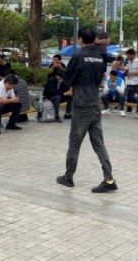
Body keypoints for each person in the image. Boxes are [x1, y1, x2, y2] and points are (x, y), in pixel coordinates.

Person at [56, 27, 117, 193]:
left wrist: (62, 86)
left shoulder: (78, 57)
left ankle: (68, 177)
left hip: (81, 107)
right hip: (94, 106)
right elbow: (98, 80)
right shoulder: (99, 58)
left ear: (81, 39)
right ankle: (109, 179)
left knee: (74, 145)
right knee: (99, 145)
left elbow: (67, 80)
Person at [124, 49, 138, 113]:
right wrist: (126, 71)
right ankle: (129, 108)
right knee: (128, 96)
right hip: (129, 81)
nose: (128, 57)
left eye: (128, 55)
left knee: (136, 96)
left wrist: (132, 73)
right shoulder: (129, 61)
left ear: (132, 55)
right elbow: (128, 69)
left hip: (136, 82)